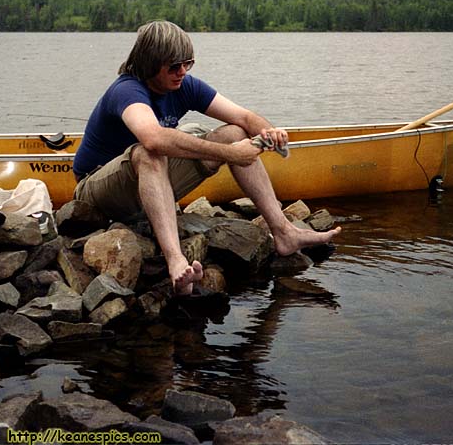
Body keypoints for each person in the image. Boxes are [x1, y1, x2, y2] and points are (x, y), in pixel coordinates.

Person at [73, 20, 340, 296]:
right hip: (96, 192)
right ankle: (176, 260)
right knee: (150, 151)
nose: (183, 72)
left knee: (235, 132)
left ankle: (283, 231)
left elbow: (244, 117)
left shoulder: (184, 85)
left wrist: (269, 132)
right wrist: (231, 155)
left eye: (188, 63)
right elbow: (153, 137)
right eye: (174, 66)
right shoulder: (127, 90)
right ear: (150, 62)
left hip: (144, 190)